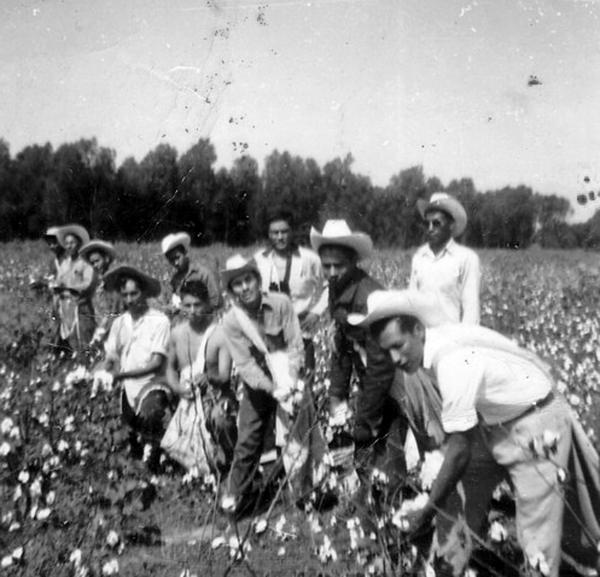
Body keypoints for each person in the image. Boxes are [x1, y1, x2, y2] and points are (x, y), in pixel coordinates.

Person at [349, 289, 600, 577]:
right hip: (494, 423)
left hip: (536, 423)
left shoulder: (452, 362)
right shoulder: (430, 348)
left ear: (418, 330)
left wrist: (428, 508)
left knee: (536, 528)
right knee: (457, 502)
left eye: (398, 345)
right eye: (387, 351)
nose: (395, 358)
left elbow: (459, 450)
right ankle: (443, 569)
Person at [310, 219, 406, 487]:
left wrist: (365, 420)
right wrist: (336, 396)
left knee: (384, 436)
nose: (330, 272)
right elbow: (341, 343)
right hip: (370, 373)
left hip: (393, 378)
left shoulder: (369, 297)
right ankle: (372, 492)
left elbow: (382, 364)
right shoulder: (337, 287)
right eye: (325, 265)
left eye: (337, 265)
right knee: (370, 441)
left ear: (353, 262)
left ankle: (388, 499)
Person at [218, 254, 304, 515]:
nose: (244, 288)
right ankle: (234, 494)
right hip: (260, 385)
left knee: (300, 433)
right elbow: (245, 365)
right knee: (249, 438)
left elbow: (295, 344)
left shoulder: (280, 304)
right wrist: (271, 388)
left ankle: (304, 489)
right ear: (232, 290)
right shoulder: (232, 320)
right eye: (237, 284)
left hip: (289, 378)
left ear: (257, 280)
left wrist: (290, 381)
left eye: (248, 280)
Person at [94, 265, 172, 471]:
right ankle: (144, 451)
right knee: (131, 436)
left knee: (150, 414)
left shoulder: (159, 320)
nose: (129, 300)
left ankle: (156, 454)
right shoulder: (120, 322)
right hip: (128, 385)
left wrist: (121, 375)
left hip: (154, 382)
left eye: (134, 293)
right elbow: (112, 353)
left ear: (144, 292)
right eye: (125, 294)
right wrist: (105, 369)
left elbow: (156, 363)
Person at [166, 279, 237, 473]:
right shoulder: (176, 334)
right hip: (187, 399)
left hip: (215, 397)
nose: (193, 311)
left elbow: (224, 377)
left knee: (221, 418)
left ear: (207, 304)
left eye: (197, 305)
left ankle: (233, 463)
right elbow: (170, 369)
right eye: (187, 305)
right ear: (180, 306)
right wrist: (177, 387)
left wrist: (208, 377)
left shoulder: (219, 334)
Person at [254, 210, 327, 372]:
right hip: (269, 335)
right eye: (275, 233)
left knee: (302, 385)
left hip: (300, 332)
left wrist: (316, 312)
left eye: (284, 232)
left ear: (292, 232)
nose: (280, 237)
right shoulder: (259, 260)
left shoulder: (309, 259)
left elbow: (329, 285)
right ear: (268, 234)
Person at [411, 192, 481, 324]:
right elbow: (412, 302)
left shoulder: (466, 258)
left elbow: (471, 310)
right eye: (427, 224)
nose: (430, 229)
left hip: (452, 338)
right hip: (423, 337)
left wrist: (464, 341)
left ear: (451, 225)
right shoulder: (419, 257)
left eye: (436, 223)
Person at [54, 224, 96, 354]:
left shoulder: (85, 263)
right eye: (66, 243)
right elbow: (59, 281)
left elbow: (88, 283)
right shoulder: (64, 263)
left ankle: (84, 361)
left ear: (78, 244)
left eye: (72, 243)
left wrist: (71, 288)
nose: (69, 246)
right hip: (65, 306)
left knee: (82, 336)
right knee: (65, 336)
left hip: (80, 305)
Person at [161, 232, 222, 311]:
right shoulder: (175, 280)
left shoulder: (203, 272)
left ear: (185, 253)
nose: (175, 262)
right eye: (171, 260)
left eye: (177, 257)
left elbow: (216, 301)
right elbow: (172, 301)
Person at [79, 240, 121, 346]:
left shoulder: (113, 280)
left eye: (97, 261)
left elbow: (114, 310)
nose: (95, 265)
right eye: (92, 263)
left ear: (106, 259)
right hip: (104, 328)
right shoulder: (100, 281)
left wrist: (101, 331)